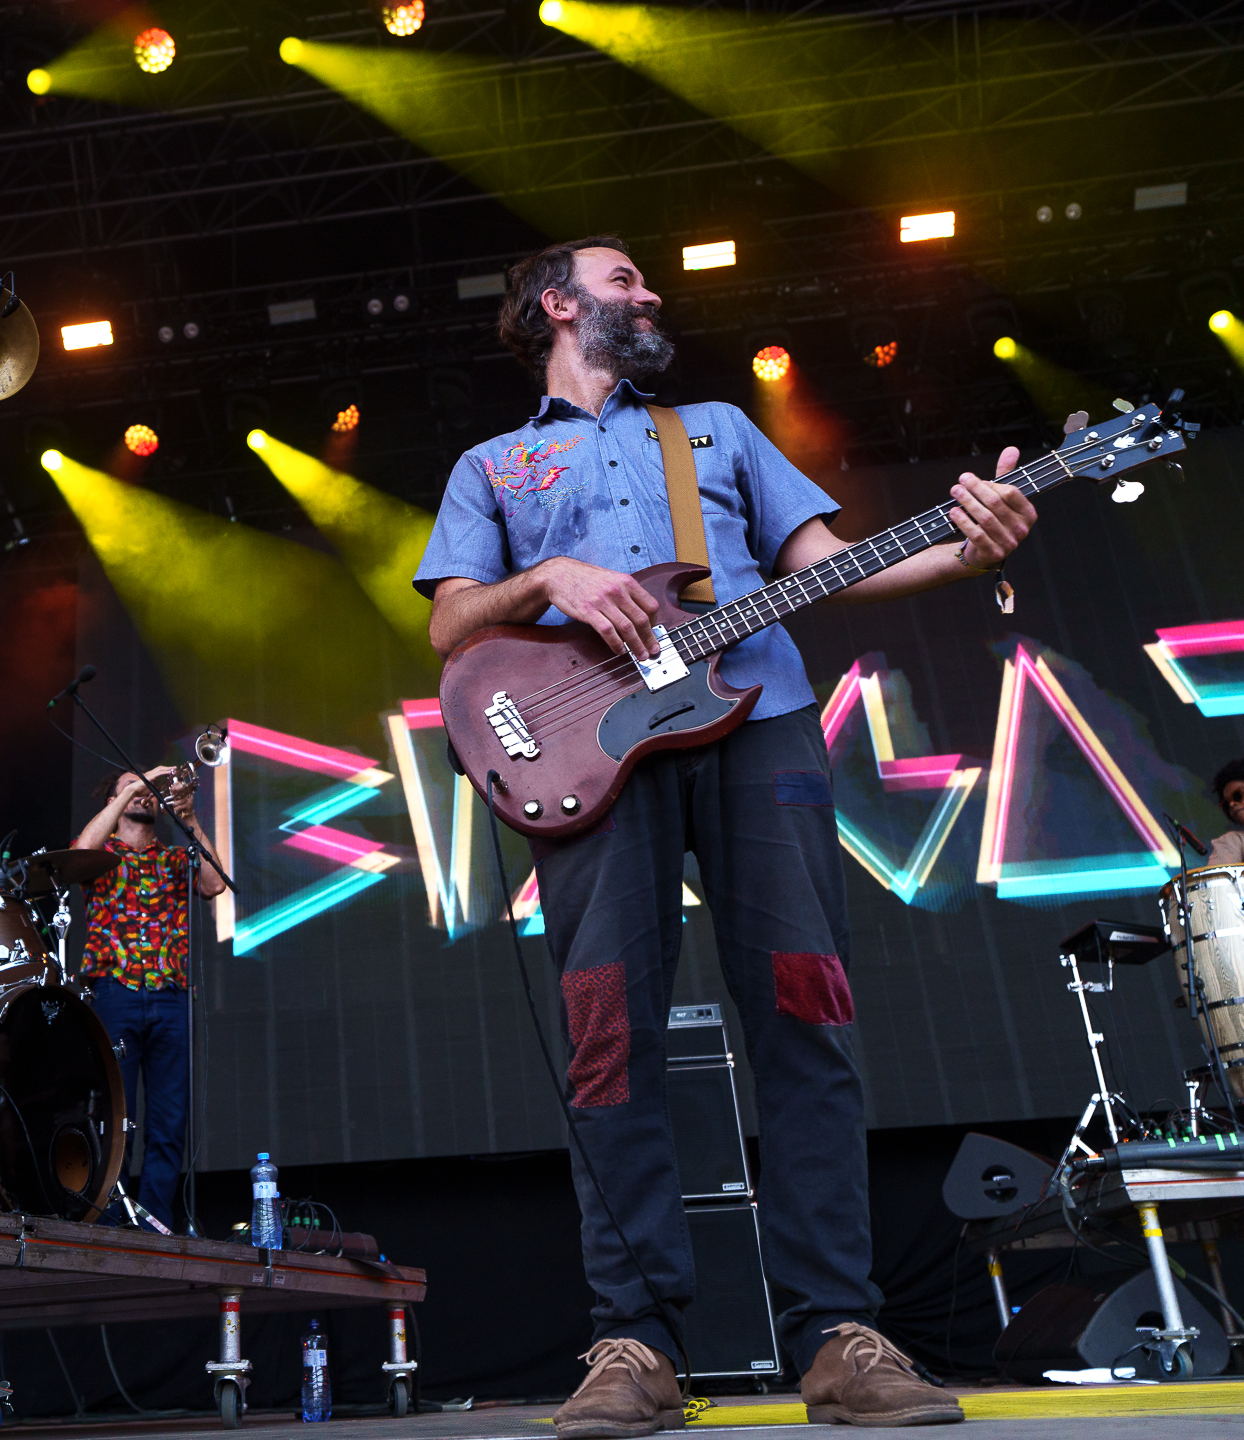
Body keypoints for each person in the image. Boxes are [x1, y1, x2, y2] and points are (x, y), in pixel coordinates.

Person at [414, 236, 1039, 1432]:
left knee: (808, 1015)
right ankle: (635, 1342)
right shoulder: (492, 465)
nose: (650, 294)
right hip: (589, 760)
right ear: (557, 304)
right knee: (608, 1034)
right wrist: (550, 576)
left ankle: (839, 1335)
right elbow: (452, 627)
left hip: (765, 729)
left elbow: (831, 567)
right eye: (624, 280)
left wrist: (966, 550)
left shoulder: (716, 430)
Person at [72, 767, 226, 1228]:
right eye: (132, 787)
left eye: (150, 791)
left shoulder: (175, 857)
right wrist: (136, 785)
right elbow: (78, 854)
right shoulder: (101, 855)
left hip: (170, 998)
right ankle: (108, 1221)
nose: (145, 794)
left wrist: (190, 817)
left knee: (168, 1120)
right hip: (114, 994)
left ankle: (155, 1223)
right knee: (115, 1115)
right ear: (114, 801)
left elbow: (214, 884)